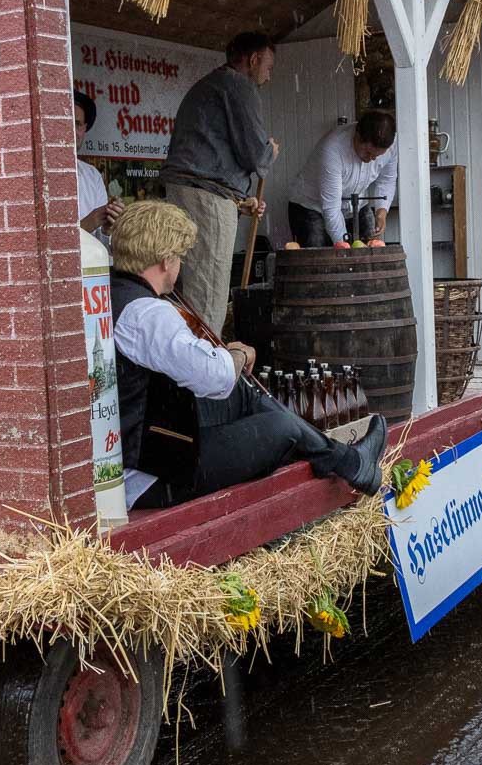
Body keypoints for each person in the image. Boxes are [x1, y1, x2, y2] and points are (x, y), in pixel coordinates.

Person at [108, 200, 387, 509]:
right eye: (180, 257)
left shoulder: (113, 294)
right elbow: (214, 375)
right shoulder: (147, 314)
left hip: (151, 440)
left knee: (241, 393)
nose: (180, 265)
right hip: (152, 475)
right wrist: (237, 355)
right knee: (280, 428)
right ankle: (349, 462)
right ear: (165, 260)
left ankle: (349, 462)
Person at [160, 33, 279, 333]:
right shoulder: (239, 86)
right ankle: (205, 357)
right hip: (206, 196)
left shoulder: (210, 85)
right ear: (253, 60)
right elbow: (255, 156)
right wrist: (271, 151)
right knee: (208, 291)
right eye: (268, 67)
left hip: (187, 192)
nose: (268, 77)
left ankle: (189, 351)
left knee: (187, 285)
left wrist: (239, 200)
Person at [286, 111, 399, 246]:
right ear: (357, 136)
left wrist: (381, 212)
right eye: (368, 152)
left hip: (356, 204)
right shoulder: (332, 149)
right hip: (311, 206)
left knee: (370, 251)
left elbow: (387, 179)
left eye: (378, 155)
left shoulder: (392, 144)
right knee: (320, 255)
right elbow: (331, 208)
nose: (372, 159)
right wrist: (344, 247)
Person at [74, 91, 122, 240]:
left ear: (84, 129)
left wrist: (107, 228)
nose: (72, 130)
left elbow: (102, 243)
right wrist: (86, 225)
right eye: (66, 123)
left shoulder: (92, 175)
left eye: (77, 124)